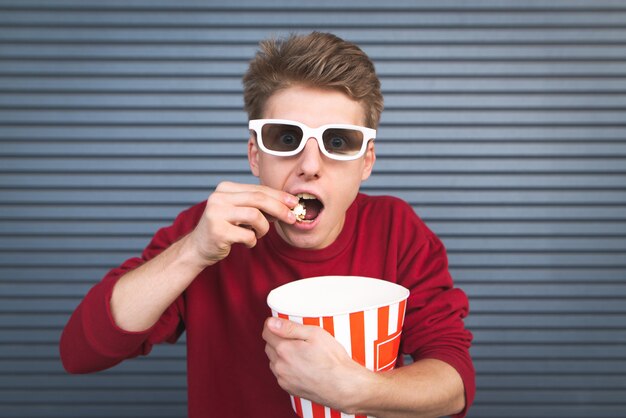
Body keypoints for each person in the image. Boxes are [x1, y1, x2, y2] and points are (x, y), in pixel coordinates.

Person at [60, 31, 475, 418]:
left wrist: (358, 389)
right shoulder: (207, 231)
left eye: (338, 142)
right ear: (255, 155)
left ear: (366, 161)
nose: (310, 166)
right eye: (284, 137)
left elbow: (454, 383)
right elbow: (80, 353)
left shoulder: (397, 231)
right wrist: (193, 251)